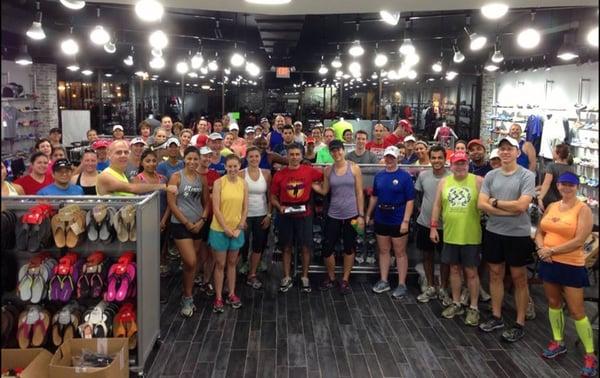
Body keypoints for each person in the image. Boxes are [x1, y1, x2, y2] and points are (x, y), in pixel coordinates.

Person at [534, 172, 597, 377]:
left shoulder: (583, 209)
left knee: (577, 311)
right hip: (549, 262)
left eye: (571, 185)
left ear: (577, 187)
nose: (566, 188)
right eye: (563, 184)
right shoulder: (552, 206)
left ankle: (590, 354)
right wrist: (542, 249)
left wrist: (551, 251)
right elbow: (540, 232)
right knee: (553, 303)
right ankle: (558, 341)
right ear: (558, 186)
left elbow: (580, 240)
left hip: (570, 264)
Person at [477, 136, 536, 342]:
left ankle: (519, 322)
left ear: (517, 152)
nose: (505, 152)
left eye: (509, 149)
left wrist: (495, 203)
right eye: (501, 149)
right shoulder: (491, 175)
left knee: (519, 277)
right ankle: (496, 315)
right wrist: (506, 210)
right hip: (494, 232)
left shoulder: (527, 176)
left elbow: (522, 206)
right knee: (495, 274)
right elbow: (481, 204)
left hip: (518, 235)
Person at [430, 151, 484, 326]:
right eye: (457, 163)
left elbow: (486, 205)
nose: (460, 166)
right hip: (451, 234)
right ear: (451, 166)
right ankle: (456, 302)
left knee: (471, 272)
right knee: (454, 270)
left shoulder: (478, 181)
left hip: (470, 235)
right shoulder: (444, 182)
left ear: (467, 164)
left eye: (463, 163)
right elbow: (437, 205)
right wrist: (433, 227)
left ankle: (474, 307)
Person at [313, 140, 364, 294]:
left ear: (343, 150)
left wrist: (361, 215)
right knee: (327, 247)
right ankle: (331, 277)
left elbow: (359, 192)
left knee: (349, 247)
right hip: (333, 213)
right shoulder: (328, 170)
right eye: (333, 151)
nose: (336, 153)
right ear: (330, 153)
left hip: (352, 214)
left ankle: (345, 280)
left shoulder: (354, 168)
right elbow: (324, 191)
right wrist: (309, 184)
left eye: (338, 150)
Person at [271, 143, 323, 293]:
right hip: (285, 213)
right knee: (286, 246)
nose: (294, 157)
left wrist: (320, 189)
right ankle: (287, 276)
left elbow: (325, 176)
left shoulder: (309, 171)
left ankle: (305, 276)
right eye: (291, 154)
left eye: (297, 154)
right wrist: (278, 206)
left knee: (306, 246)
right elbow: (273, 196)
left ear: (302, 156)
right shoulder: (279, 175)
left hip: (305, 213)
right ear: (287, 156)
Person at [366, 146, 415, 298]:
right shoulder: (379, 175)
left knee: (400, 252)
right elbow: (374, 196)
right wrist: (368, 213)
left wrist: (405, 221)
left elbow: (410, 200)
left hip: (398, 217)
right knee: (384, 250)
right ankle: (384, 280)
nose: (389, 160)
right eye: (387, 157)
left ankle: (401, 283)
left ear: (397, 158)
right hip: (381, 216)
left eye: (392, 157)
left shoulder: (405, 176)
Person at [167, 146, 210, 317]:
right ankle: (186, 296)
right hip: (180, 225)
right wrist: (186, 222)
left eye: (195, 159)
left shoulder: (202, 179)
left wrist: (202, 220)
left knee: (191, 264)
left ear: (199, 160)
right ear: (185, 159)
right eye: (189, 158)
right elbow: (172, 204)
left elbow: (207, 202)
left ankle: (188, 293)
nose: (192, 162)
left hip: (198, 224)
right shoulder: (176, 177)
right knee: (191, 261)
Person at [209, 154, 248, 312]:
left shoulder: (243, 183)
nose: (232, 169)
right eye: (229, 166)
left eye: (235, 166)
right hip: (220, 230)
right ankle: (218, 297)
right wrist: (225, 227)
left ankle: (231, 293)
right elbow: (216, 208)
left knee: (232, 264)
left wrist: (239, 227)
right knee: (220, 264)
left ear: (239, 167)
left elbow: (245, 208)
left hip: (236, 230)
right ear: (225, 167)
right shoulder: (219, 183)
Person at [415, 145, 451, 305]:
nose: (437, 161)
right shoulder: (423, 176)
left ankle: (443, 288)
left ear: (445, 159)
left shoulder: (452, 177)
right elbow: (418, 196)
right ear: (430, 159)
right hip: (425, 224)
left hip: (447, 226)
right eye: (434, 158)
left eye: (440, 158)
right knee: (427, 256)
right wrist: (421, 211)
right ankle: (430, 286)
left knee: (445, 258)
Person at [238, 147, 272, 289]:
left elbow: (270, 196)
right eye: (251, 156)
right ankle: (241, 266)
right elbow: (237, 197)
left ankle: (252, 274)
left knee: (258, 245)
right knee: (241, 245)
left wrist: (269, 214)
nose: (254, 159)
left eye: (256, 156)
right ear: (246, 158)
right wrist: (240, 218)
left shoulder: (266, 173)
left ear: (260, 158)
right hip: (245, 215)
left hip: (261, 214)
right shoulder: (240, 174)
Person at [96, 140, 177, 196]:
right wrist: (163, 186)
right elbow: (132, 188)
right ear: (109, 155)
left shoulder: (121, 174)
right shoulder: (105, 176)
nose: (123, 155)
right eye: (118, 152)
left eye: (126, 152)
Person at [195, 146, 219, 295]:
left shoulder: (215, 175)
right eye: (205, 156)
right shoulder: (192, 174)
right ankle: (194, 278)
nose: (207, 159)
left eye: (210, 157)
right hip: (197, 218)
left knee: (211, 252)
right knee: (198, 252)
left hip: (212, 218)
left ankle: (206, 280)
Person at [537, 143, 574, 211]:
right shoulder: (571, 169)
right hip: (564, 201)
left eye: (553, 151)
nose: (552, 152)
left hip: (550, 201)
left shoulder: (552, 166)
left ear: (558, 154)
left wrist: (540, 198)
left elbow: (546, 183)